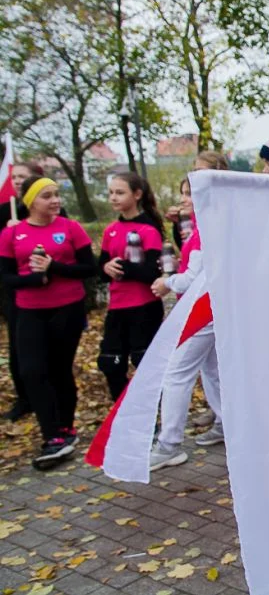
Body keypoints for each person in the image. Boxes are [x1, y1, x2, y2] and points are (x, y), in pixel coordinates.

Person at [0, 175, 95, 468]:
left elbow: (88, 268)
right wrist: (31, 279)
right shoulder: (11, 235)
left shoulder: (71, 228)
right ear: (30, 202)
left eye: (56, 194)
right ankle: (51, 434)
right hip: (29, 309)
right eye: (47, 196)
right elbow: (4, 277)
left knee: (59, 370)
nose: (55, 200)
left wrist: (55, 267)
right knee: (31, 371)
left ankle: (65, 429)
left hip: (67, 307)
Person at [148, 177, 224, 470]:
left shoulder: (207, 228)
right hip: (208, 310)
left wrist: (166, 282)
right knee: (213, 371)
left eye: (190, 194)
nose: (184, 199)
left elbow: (195, 279)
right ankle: (228, 425)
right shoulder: (199, 227)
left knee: (176, 372)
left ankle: (169, 444)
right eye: (182, 193)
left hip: (203, 312)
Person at [97, 173, 165, 401]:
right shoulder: (110, 230)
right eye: (111, 193)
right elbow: (100, 271)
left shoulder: (149, 230)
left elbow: (152, 272)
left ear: (137, 195)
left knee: (143, 362)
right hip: (117, 307)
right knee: (110, 363)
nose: (114, 198)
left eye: (120, 192)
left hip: (144, 307)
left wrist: (124, 268)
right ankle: (124, 408)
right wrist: (107, 268)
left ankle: (149, 413)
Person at [1, 161, 48, 421]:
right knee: (20, 353)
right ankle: (25, 398)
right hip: (16, 296)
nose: (17, 181)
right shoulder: (4, 210)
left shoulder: (51, 209)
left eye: (22, 177)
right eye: (14, 176)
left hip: (49, 297)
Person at [164, 151, 229, 251]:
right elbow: (186, 251)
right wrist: (178, 224)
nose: (195, 176)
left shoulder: (223, 210)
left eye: (200, 172)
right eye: (194, 172)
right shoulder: (197, 215)